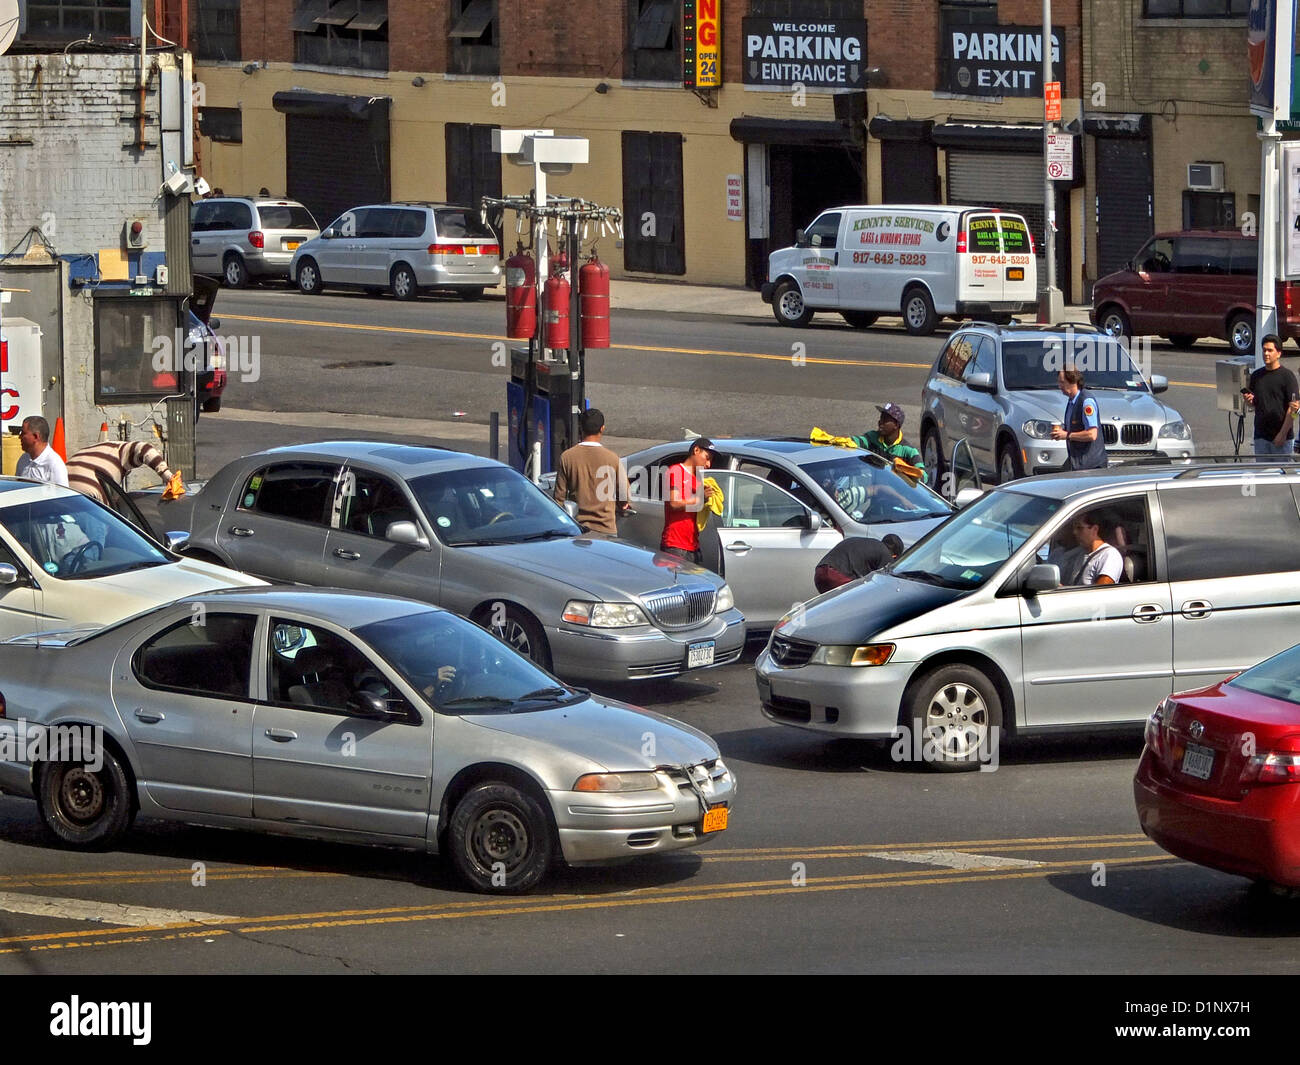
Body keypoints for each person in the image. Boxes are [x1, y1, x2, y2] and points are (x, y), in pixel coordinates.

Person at [552, 407, 629, 536]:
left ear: (581, 428)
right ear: (602, 428)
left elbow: (558, 498)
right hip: (606, 530)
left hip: (578, 529)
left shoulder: (567, 457)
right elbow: (624, 497)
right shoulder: (612, 458)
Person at [67, 439, 185, 504]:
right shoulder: (121, 451)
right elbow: (145, 449)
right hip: (90, 490)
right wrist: (169, 477)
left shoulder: (93, 449)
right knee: (101, 530)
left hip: (63, 490)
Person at [660, 437, 718, 565]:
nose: (708, 464)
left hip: (693, 545)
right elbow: (674, 503)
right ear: (696, 450)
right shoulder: (676, 471)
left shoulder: (698, 479)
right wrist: (699, 498)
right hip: (675, 545)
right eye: (707, 457)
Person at [1243, 334, 1300, 457]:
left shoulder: (1287, 377)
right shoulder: (1256, 376)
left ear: (1278, 353)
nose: (1266, 354)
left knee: (1282, 475)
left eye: (1270, 350)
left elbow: (1295, 410)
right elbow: (1253, 405)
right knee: (1262, 475)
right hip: (1261, 437)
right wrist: (1249, 401)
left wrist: (1283, 434)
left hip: (1282, 439)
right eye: (1264, 350)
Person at [850, 403, 927, 483]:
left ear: (896, 425)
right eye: (880, 419)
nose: (880, 423)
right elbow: (857, 441)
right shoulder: (872, 438)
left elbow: (924, 477)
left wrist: (906, 470)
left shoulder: (908, 451)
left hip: (895, 493)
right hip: (872, 490)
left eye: (885, 420)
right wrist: (846, 441)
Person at [1051, 366, 1108, 471]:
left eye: (1062, 382)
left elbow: (1092, 434)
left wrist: (1067, 435)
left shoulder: (1086, 402)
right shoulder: (1071, 401)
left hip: (1091, 466)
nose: (1059, 386)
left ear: (1073, 381)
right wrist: (1061, 432)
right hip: (1078, 463)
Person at [813, 534, 904, 593]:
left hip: (820, 571)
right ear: (894, 555)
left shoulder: (866, 542)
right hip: (837, 575)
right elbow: (887, 583)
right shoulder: (886, 553)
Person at [1067, 510, 1122, 586]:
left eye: (1079, 528)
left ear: (1095, 529)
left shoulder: (1109, 555)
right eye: (1074, 528)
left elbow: (1101, 591)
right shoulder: (1081, 554)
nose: (1075, 532)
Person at [15, 416, 68, 487]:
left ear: (36, 436)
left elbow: (63, 496)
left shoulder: (54, 464)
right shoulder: (23, 459)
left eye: (23, 433)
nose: (20, 437)